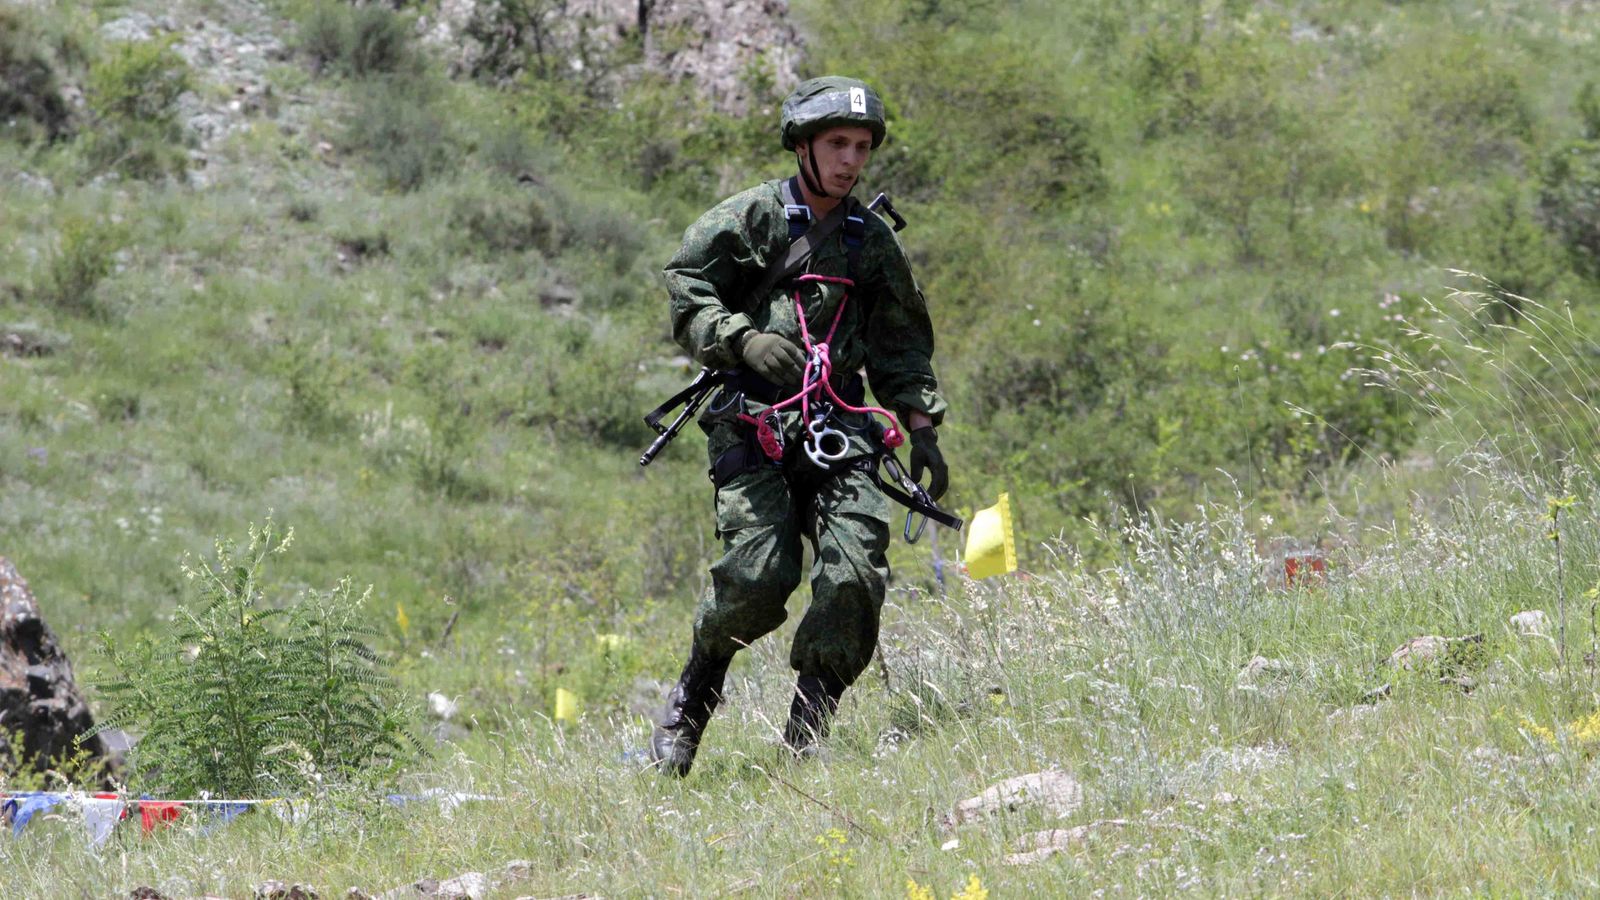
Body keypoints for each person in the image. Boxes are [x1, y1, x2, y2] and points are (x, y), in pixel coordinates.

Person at [650, 76, 949, 777]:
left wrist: (919, 418)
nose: (851, 160)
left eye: (862, 147)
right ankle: (698, 686)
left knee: (854, 579)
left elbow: (901, 340)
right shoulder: (748, 218)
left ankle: (806, 733)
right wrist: (739, 339)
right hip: (754, 427)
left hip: (842, 430)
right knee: (758, 575)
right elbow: (686, 285)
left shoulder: (871, 241)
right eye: (837, 144)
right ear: (804, 146)